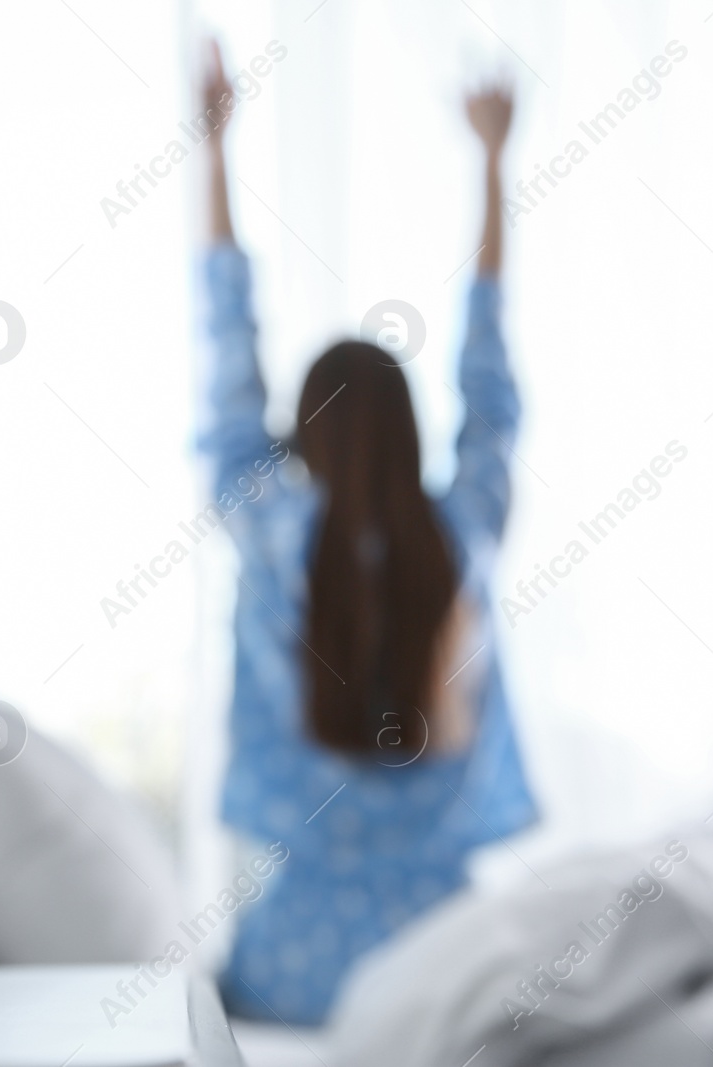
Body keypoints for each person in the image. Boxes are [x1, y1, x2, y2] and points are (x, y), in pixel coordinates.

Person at [196, 42, 537, 1026]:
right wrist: (491, 164)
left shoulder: (267, 529)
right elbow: (490, 377)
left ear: (301, 432)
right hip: (447, 964)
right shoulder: (460, 533)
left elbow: (225, 352)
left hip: (284, 965)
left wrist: (215, 146)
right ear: (410, 429)